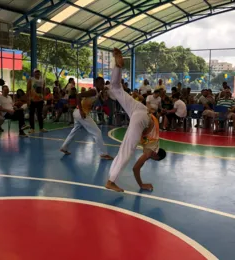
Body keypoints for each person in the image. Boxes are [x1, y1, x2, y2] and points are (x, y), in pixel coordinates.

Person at [105, 48, 166, 192]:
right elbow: (136, 168)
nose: (150, 158)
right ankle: (111, 181)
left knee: (116, 88)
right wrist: (141, 185)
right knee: (127, 150)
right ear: (156, 155)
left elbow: (153, 116)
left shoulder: (156, 140)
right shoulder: (152, 150)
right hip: (142, 119)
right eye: (154, 159)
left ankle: (118, 65)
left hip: (139, 109)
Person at [59, 77, 113, 160]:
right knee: (97, 131)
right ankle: (103, 153)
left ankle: (64, 147)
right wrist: (81, 111)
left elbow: (102, 102)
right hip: (80, 113)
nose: (103, 84)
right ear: (96, 84)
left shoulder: (98, 92)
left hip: (78, 113)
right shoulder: (93, 91)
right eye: (101, 83)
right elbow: (78, 95)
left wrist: (104, 92)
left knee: (74, 131)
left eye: (103, 83)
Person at [27, 69, 47, 133]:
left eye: (38, 72)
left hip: (40, 100)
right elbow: (28, 89)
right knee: (31, 114)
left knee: (40, 114)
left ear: (40, 73)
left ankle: (41, 128)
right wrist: (28, 99)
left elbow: (43, 89)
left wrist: (44, 97)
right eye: (36, 72)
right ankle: (32, 128)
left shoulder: (43, 80)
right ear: (34, 73)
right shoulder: (31, 79)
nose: (37, 73)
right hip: (32, 99)